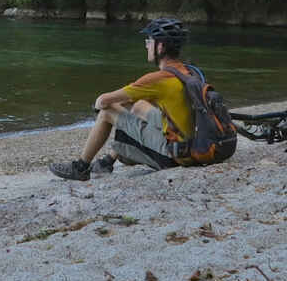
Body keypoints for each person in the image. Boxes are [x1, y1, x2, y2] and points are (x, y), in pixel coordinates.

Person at [49, 17, 198, 181]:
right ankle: (107, 161)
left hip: (174, 155)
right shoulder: (188, 72)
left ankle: (80, 167)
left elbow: (103, 101)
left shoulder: (157, 79)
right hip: (192, 144)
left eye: (149, 41)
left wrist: (105, 107)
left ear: (160, 46)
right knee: (139, 106)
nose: (146, 45)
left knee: (107, 112)